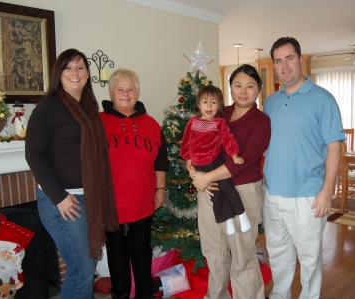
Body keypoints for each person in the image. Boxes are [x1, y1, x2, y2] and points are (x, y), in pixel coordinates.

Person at [25, 48, 119, 299]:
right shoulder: (49, 106)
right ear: (59, 73)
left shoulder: (89, 107)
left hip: (88, 197)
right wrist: (60, 197)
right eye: (68, 68)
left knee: (84, 267)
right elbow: (33, 154)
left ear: (88, 74)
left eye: (80, 67)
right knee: (82, 269)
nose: (74, 73)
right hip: (64, 202)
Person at [262, 37, 345, 299]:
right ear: (274, 66)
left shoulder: (323, 99)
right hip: (272, 193)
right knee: (277, 252)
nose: (284, 66)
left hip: (308, 195)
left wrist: (327, 189)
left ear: (300, 59)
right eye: (278, 61)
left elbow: (335, 146)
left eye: (289, 58)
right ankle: (280, 294)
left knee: (310, 258)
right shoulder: (270, 103)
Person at [191, 64, 271, 299]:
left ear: (258, 90)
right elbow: (195, 144)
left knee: (242, 255)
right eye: (238, 85)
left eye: (250, 86)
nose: (243, 91)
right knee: (214, 251)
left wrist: (205, 177)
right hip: (210, 190)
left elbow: (242, 162)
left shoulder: (261, 122)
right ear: (230, 88)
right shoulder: (218, 112)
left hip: (242, 192)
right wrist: (194, 173)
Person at [100, 68, 169, 299]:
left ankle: (144, 295)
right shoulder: (98, 123)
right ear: (111, 92)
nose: (126, 94)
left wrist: (160, 189)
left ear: (138, 92)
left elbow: (161, 159)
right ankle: (119, 294)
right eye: (120, 89)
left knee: (142, 254)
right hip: (112, 205)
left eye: (130, 89)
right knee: (116, 255)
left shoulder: (151, 124)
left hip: (143, 203)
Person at [181, 85, 251, 236]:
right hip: (199, 166)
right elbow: (185, 142)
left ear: (219, 105)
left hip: (215, 162)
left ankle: (242, 214)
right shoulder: (192, 123)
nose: (209, 106)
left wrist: (234, 155)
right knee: (215, 195)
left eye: (214, 103)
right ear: (199, 105)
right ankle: (228, 220)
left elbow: (227, 139)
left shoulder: (219, 123)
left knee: (227, 188)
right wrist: (188, 161)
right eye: (205, 102)